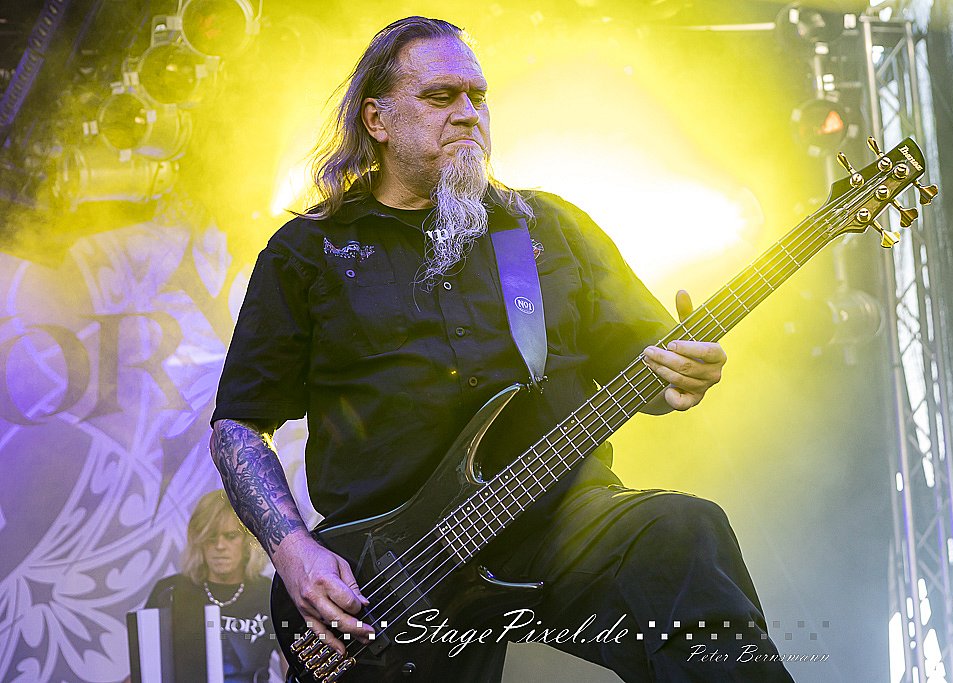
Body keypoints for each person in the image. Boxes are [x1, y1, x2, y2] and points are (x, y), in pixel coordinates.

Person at [210, 16, 796, 682]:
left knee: (683, 530)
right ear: (377, 119)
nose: (468, 113)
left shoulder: (549, 228)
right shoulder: (308, 252)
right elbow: (239, 426)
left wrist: (685, 372)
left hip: (563, 524)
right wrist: (293, 551)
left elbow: (653, 368)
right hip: (394, 573)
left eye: (478, 97)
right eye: (440, 96)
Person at [140, 490, 282, 682]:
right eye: (211, 537)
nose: (220, 546)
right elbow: (145, 668)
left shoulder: (269, 595)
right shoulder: (170, 592)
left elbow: (292, 667)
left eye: (230, 536)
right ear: (199, 541)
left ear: (247, 541)